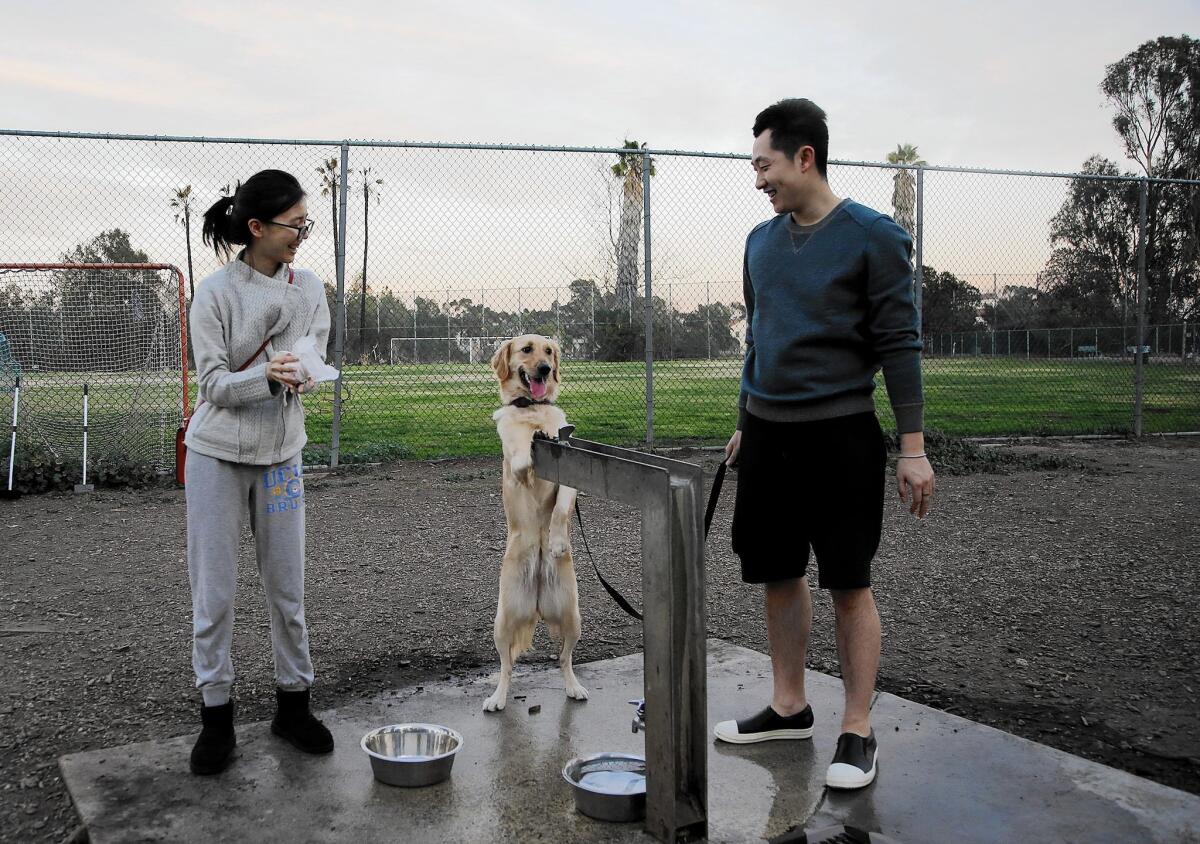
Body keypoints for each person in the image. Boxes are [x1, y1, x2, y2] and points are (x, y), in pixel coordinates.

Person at [713, 99, 936, 790]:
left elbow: (900, 344)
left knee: (848, 581)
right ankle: (789, 705)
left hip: (840, 435)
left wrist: (912, 446)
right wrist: (746, 419)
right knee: (777, 573)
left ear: (804, 156)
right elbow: (761, 340)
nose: (759, 180)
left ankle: (857, 729)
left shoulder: (874, 236)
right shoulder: (758, 242)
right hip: (769, 433)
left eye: (765, 164)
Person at [185, 169, 333, 775]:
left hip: (282, 457)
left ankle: (292, 705)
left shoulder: (310, 288)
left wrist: (307, 371)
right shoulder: (215, 293)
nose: (301, 234)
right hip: (217, 457)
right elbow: (214, 383)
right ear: (256, 228)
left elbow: (317, 351)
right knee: (215, 593)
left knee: (288, 589)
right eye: (293, 224)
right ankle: (215, 715)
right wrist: (265, 378)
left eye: (305, 223)